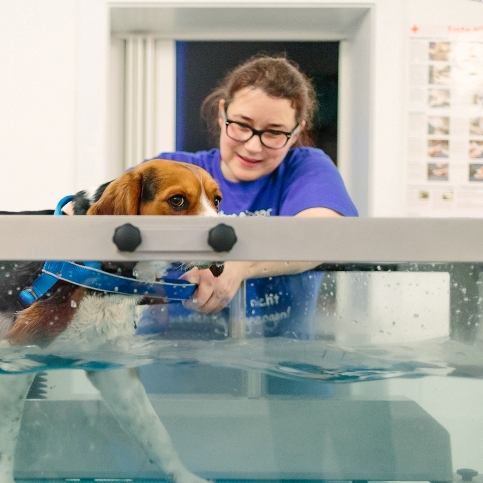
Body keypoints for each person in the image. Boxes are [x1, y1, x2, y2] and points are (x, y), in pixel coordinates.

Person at [150, 54, 359, 341]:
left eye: (274, 133)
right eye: (242, 125)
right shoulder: (173, 170)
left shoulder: (306, 169)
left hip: (283, 359)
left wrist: (238, 264)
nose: (252, 146)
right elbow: (105, 220)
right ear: (222, 113)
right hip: (172, 355)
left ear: (296, 131)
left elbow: (323, 234)